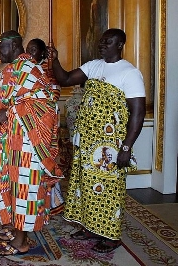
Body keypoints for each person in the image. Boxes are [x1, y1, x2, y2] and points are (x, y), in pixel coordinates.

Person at [49, 28, 146, 253]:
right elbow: (64, 79)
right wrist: (55, 59)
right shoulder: (93, 65)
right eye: (101, 42)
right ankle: (90, 228)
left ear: (120, 44)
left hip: (111, 145)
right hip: (86, 141)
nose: (102, 45)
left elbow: (138, 113)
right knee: (86, 187)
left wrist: (126, 147)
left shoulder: (129, 73)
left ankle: (111, 237)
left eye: (108, 42)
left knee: (109, 189)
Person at [0, 30, 63, 256]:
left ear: (15, 46)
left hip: (28, 144)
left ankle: (20, 242)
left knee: (24, 191)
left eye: (2, 47)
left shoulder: (28, 68)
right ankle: (13, 228)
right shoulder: (13, 69)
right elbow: (7, 101)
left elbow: (47, 104)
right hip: (11, 141)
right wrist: (2, 112)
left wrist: (9, 111)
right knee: (9, 185)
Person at [26, 38, 64, 214]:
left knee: (45, 161)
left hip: (45, 124)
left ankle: (51, 202)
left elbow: (53, 96)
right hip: (28, 125)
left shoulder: (48, 73)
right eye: (28, 49)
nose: (30, 53)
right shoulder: (24, 71)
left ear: (42, 53)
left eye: (33, 50)